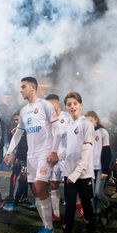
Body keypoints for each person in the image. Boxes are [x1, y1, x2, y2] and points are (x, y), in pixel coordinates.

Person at [4, 77, 60, 233]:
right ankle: (45, 226)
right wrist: (9, 151)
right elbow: (18, 133)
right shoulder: (23, 111)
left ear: (33, 88)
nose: (21, 90)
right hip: (31, 155)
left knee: (41, 187)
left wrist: (54, 151)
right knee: (35, 191)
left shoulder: (45, 105)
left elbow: (57, 129)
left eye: (23, 87)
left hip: (45, 153)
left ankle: (50, 228)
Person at [50, 92, 95, 233]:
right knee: (68, 212)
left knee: (87, 210)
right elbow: (68, 150)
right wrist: (56, 157)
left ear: (81, 105)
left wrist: (76, 174)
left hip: (83, 176)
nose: (72, 106)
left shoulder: (86, 124)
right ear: (66, 107)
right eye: (69, 104)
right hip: (69, 175)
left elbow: (87, 151)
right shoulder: (68, 125)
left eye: (75, 103)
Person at [85, 110, 114, 225]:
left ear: (96, 120)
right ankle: (96, 216)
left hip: (101, 167)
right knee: (92, 194)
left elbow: (107, 152)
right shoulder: (86, 132)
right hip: (90, 167)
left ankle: (109, 208)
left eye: (91, 120)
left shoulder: (103, 132)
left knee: (98, 192)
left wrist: (105, 170)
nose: (89, 123)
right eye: (87, 121)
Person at [45, 94, 71, 223]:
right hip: (53, 159)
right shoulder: (47, 120)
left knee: (70, 185)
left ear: (56, 103)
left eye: (50, 104)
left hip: (66, 158)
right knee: (54, 184)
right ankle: (56, 214)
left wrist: (60, 156)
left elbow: (72, 141)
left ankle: (78, 208)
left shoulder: (67, 117)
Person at [3, 112, 29, 211]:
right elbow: (14, 145)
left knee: (24, 180)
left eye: (18, 119)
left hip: (27, 159)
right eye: (15, 120)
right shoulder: (17, 130)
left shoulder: (28, 130)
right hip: (19, 157)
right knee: (14, 177)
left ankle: (22, 199)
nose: (16, 122)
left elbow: (27, 146)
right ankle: (11, 197)